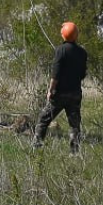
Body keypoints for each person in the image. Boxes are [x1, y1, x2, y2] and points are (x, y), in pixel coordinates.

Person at [33, 21, 88, 152]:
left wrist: (51, 90)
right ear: (76, 35)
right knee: (74, 125)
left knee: (43, 120)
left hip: (59, 95)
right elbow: (82, 74)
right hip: (75, 94)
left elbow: (55, 74)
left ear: (63, 35)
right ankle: (74, 152)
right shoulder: (82, 53)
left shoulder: (60, 50)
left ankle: (37, 147)